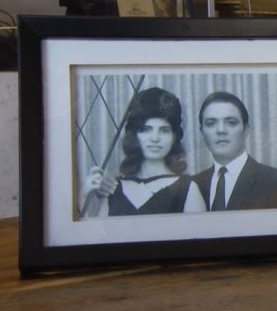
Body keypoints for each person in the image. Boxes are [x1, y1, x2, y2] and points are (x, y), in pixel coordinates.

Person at [80, 87, 206, 216]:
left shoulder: (188, 189)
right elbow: (96, 234)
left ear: (174, 137)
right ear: (135, 134)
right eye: (146, 129)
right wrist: (85, 193)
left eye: (164, 130)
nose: (155, 138)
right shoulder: (113, 189)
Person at [193, 91, 277, 211]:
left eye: (231, 122)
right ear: (202, 132)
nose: (221, 130)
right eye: (211, 123)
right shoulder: (193, 185)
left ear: (246, 130)